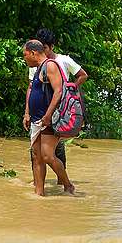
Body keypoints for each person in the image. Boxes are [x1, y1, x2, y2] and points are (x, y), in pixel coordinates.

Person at [26, 28, 88, 172]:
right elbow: (30, 88)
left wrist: (71, 87)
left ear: (52, 46)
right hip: (39, 113)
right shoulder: (36, 63)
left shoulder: (63, 60)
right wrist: (27, 113)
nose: (43, 52)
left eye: (45, 48)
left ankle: (64, 184)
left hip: (58, 114)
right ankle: (38, 186)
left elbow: (82, 75)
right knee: (36, 153)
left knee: (56, 151)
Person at [22, 39, 75, 196]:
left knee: (47, 155)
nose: (24, 59)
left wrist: (48, 115)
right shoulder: (39, 69)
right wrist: (28, 113)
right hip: (37, 119)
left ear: (33, 53)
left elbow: (58, 91)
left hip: (49, 119)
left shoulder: (50, 65)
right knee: (37, 156)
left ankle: (68, 185)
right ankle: (39, 194)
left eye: (25, 55)